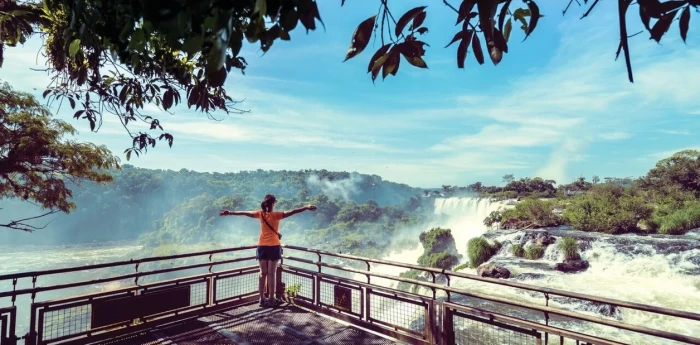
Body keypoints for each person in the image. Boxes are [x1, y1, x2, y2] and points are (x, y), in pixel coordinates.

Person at [219, 194, 316, 307]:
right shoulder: (276, 215)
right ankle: (271, 299)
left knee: (262, 273)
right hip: (274, 246)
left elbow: (245, 213)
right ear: (274, 203)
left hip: (262, 246)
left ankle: (261, 299)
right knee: (271, 273)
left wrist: (230, 212)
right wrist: (306, 207)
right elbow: (293, 211)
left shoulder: (260, 214)